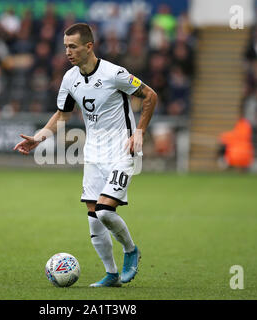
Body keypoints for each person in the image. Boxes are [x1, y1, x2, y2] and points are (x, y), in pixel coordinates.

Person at [14, 23, 157, 287]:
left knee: (104, 212)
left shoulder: (115, 73)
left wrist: (139, 131)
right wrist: (38, 138)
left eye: (73, 46)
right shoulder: (70, 78)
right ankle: (112, 274)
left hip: (122, 151)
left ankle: (130, 250)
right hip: (93, 154)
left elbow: (150, 95)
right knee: (94, 221)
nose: (68, 51)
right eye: (66, 46)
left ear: (89, 46)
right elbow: (63, 115)